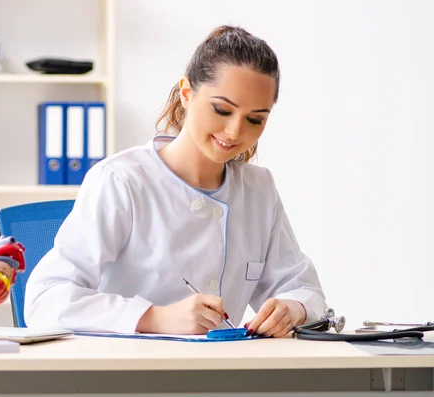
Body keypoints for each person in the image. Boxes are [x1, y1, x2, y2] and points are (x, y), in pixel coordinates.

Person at [24, 25, 327, 337]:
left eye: (255, 119)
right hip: (127, 375)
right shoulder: (122, 180)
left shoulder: (258, 189)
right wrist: (155, 318)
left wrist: (293, 308)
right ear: (187, 93)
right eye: (222, 110)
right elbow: (46, 300)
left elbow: (304, 289)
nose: (235, 132)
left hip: (222, 375)